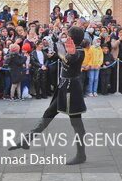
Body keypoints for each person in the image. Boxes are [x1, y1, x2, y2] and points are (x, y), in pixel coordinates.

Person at [9, 26, 88, 165]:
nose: (66, 37)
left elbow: (71, 58)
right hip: (63, 87)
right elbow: (63, 54)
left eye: (68, 35)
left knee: (76, 123)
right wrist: (61, 47)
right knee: (48, 114)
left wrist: (68, 51)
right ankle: (27, 140)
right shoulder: (70, 47)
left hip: (72, 90)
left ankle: (81, 154)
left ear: (73, 38)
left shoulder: (79, 51)